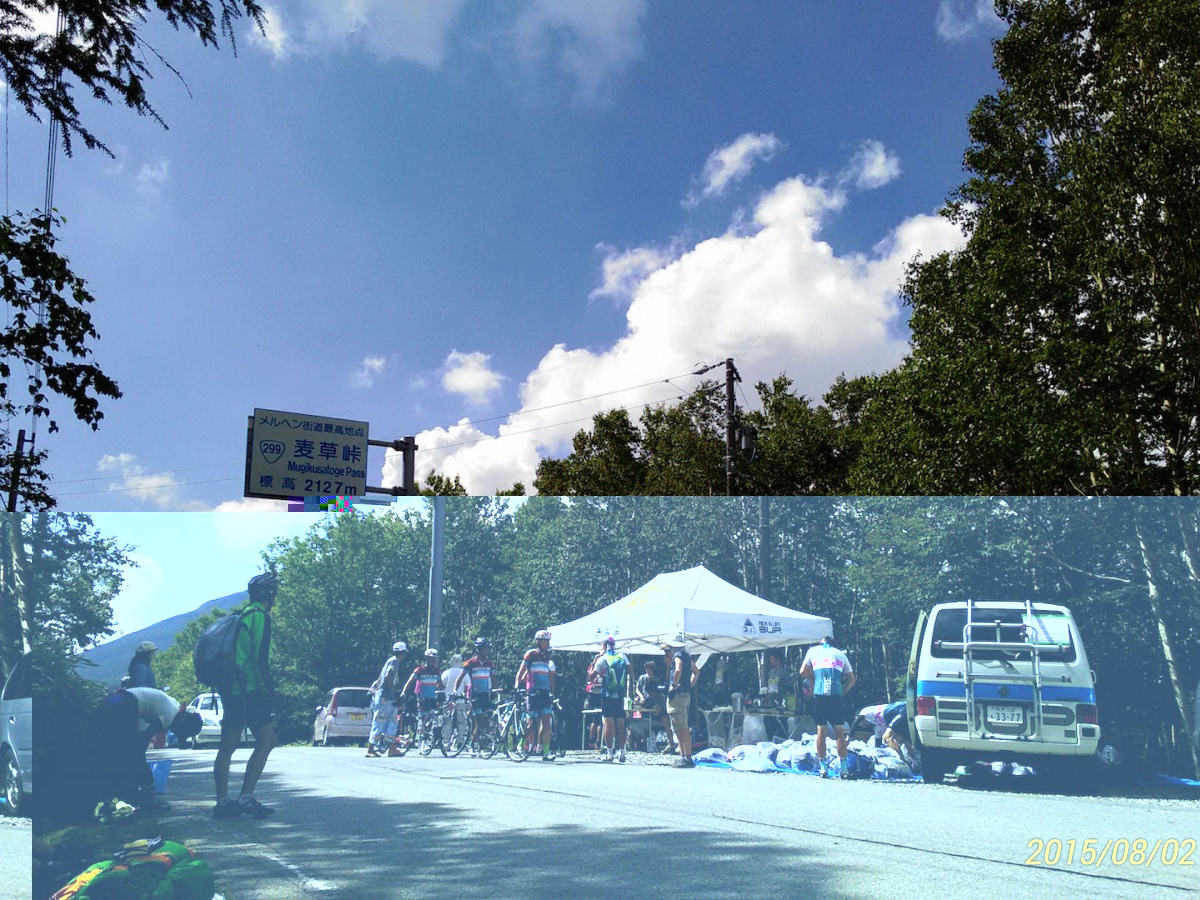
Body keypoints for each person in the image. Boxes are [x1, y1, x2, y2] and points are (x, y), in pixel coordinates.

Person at [214, 571, 280, 820]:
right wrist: (269, 689)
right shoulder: (259, 617)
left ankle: (222, 802)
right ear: (270, 594)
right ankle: (246, 798)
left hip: (231, 689)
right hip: (250, 689)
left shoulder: (241, 616)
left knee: (227, 747)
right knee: (267, 740)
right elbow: (260, 658)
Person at [95, 685, 202, 810]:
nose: (177, 734)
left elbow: (141, 728)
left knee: (120, 751)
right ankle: (148, 799)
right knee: (135, 755)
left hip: (118, 698)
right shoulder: (170, 715)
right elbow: (145, 738)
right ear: (182, 723)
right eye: (181, 733)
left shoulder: (173, 706)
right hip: (126, 702)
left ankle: (122, 792)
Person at [800, 634, 856, 778]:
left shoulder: (813, 650)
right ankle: (844, 769)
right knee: (839, 732)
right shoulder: (841, 654)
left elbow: (802, 671)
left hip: (819, 694)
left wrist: (813, 680)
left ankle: (823, 768)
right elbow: (851, 678)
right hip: (836, 695)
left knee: (821, 731)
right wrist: (842, 691)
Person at [515, 629, 556, 761]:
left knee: (547, 723)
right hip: (532, 692)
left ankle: (546, 752)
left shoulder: (547, 657)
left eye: (548, 641)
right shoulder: (530, 654)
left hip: (544, 692)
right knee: (532, 724)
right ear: (538, 641)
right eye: (545, 641)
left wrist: (551, 693)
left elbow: (550, 678)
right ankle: (520, 745)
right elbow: (520, 672)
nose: (547, 644)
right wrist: (517, 687)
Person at [590, 636, 630, 762]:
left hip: (607, 694)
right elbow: (631, 671)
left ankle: (609, 752)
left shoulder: (602, 659)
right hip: (620, 694)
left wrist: (594, 662)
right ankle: (622, 752)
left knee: (607, 722)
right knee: (620, 722)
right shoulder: (622, 656)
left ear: (604, 646)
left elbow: (591, 677)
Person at [662, 638, 699, 768]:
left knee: (680, 727)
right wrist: (689, 685)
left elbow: (678, 669)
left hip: (677, 695)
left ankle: (686, 756)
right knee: (682, 725)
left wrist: (674, 685)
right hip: (685, 694)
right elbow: (696, 672)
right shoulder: (687, 656)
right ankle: (684, 755)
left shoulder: (678, 656)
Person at [367, 641, 408, 758]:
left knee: (392, 722)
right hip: (385, 697)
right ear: (403, 653)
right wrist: (394, 690)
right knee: (379, 721)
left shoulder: (390, 660)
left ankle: (392, 748)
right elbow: (388, 676)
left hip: (388, 698)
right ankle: (371, 749)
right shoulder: (394, 662)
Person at [455, 638, 496, 753]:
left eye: (488, 649)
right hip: (474, 695)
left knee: (485, 723)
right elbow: (460, 678)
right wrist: (455, 691)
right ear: (478, 649)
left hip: (486, 695)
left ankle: (477, 744)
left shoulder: (489, 664)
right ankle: (473, 745)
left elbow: (493, 678)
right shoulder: (470, 663)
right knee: (478, 721)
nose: (487, 651)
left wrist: (496, 690)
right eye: (484, 649)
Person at [635, 659, 673, 753]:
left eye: (649, 669)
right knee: (634, 721)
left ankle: (671, 742)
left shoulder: (660, 695)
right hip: (645, 706)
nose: (647, 670)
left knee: (664, 719)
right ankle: (639, 743)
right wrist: (640, 698)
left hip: (658, 717)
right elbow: (637, 689)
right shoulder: (642, 678)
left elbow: (660, 709)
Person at [402, 648, 443, 717]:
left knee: (432, 717)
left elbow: (441, 685)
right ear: (427, 658)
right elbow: (410, 681)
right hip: (422, 698)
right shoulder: (420, 670)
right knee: (424, 717)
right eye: (432, 658)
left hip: (433, 698)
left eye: (435, 658)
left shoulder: (437, 671)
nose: (434, 660)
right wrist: (404, 692)